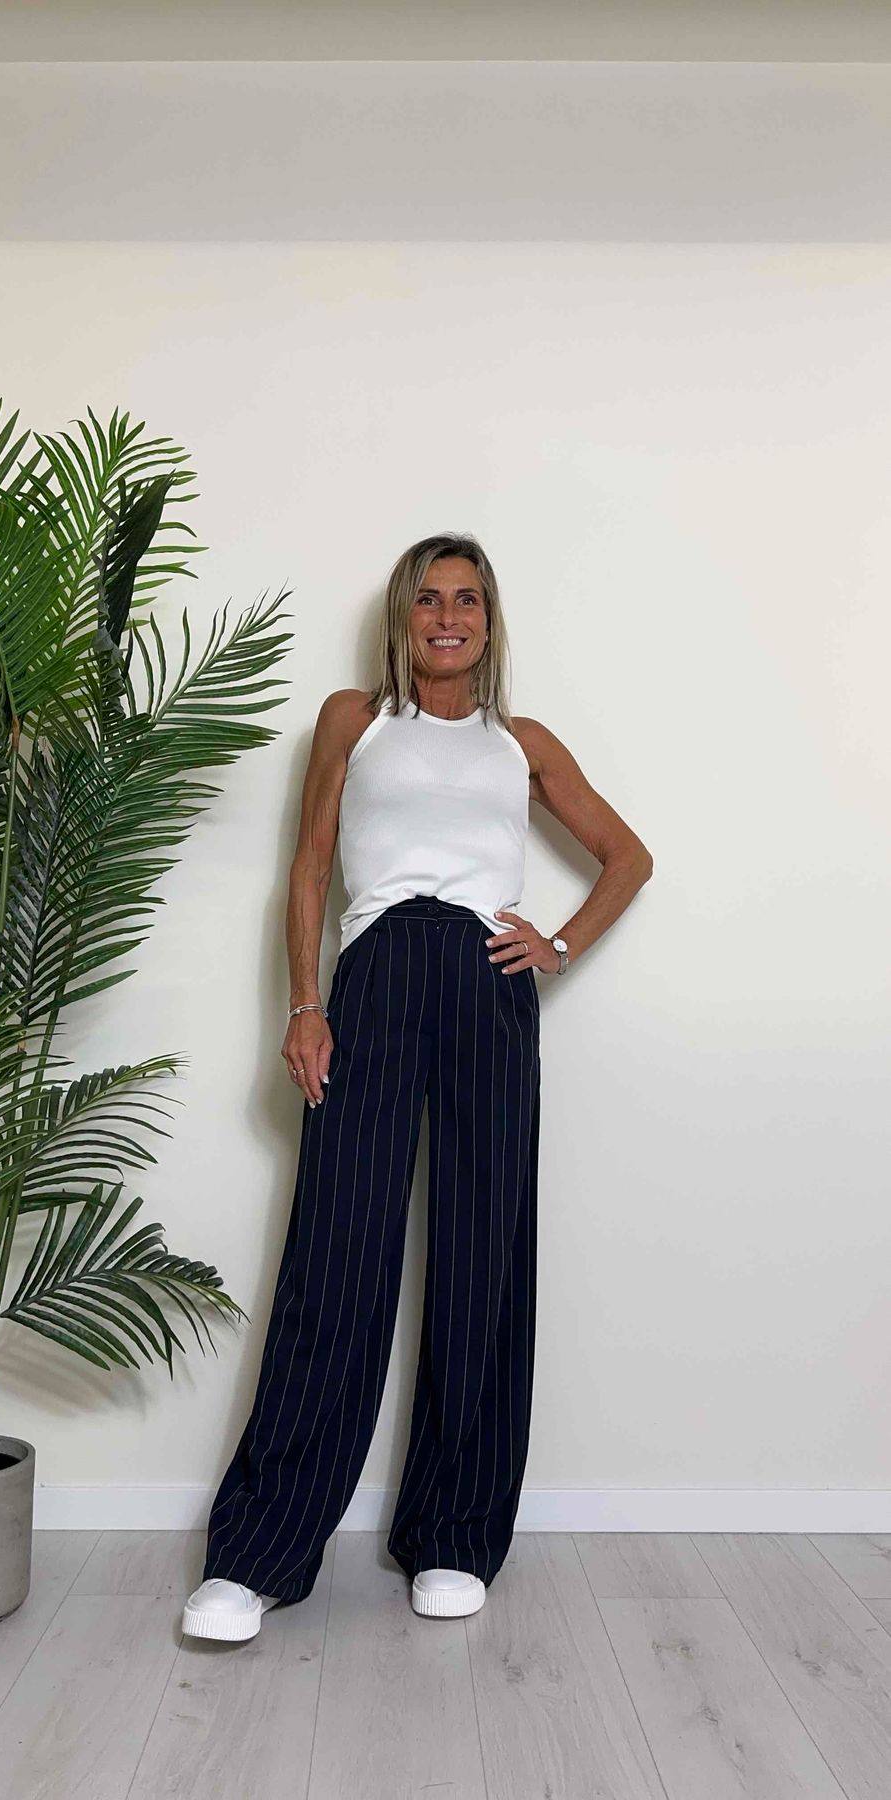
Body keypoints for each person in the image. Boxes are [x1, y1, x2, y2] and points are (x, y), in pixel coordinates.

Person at [182, 532, 653, 1641]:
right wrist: (304, 1005)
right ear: (403, 616)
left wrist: (558, 944)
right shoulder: (354, 720)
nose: (448, 616)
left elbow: (626, 856)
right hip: (379, 974)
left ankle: (452, 1535)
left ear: (489, 622)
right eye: (429, 598)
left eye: (467, 600)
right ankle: (258, 1554)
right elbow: (309, 865)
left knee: (483, 1254)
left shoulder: (520, 743)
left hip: (488, 988)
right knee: (336, 1255)